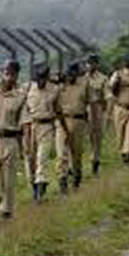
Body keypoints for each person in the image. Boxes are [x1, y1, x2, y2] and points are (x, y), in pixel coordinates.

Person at [0, 59, 28, 219]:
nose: (8, 77)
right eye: (6, 73)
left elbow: (24, 123)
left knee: (8, 182)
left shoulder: (20, 97)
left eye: (12, 74)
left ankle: (6, 214)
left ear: (17, 76)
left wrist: (26, 146)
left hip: (10, 141)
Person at [25, 62, 66, 202]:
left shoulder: (54, 90)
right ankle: (34, 184)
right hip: (30, 125)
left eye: (43, 78)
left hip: (47, 125)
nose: (41, 81)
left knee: (42, 157)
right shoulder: (28, 88)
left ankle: (41, 186)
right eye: (39, 78)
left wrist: (63, 127)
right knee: (30, 157)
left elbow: (58, 110)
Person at [56, 61, 90, 193]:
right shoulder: (60, 87)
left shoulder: (83, 85)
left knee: (76, 152)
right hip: (62, 121)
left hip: (78, 120)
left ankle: (77, 175)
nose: (70, 77)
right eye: (68, 74)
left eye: (72, 74)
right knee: (61, 153)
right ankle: (62, 180)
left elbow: (89, 102)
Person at [85, 53, 108, 176]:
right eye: (89, 63)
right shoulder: (81, 78)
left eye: (93, 63)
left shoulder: (102, 78)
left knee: (97, 136)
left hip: (97, 108)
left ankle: (95, 159)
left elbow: (107, 95)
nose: (91, 66)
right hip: (83, 109)